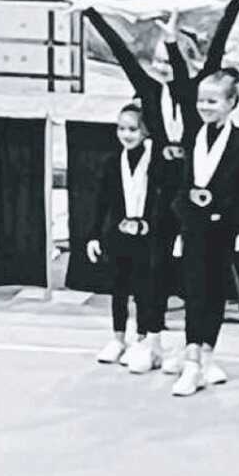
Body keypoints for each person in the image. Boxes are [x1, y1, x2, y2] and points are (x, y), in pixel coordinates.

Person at [63, 0, 239, 365]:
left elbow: (216, 49)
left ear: (185, 63)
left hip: (192, 185)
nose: (164, 68)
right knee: (153, 264)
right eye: (160, 62)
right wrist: (89, 13)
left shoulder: (195, 91)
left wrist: (234, 4)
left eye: (171, 61)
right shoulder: (149, 91)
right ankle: (151, 338)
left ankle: (194, 349)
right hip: (158, 190)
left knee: (193, 275)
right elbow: (122, 54)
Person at [167, 68, 239, 396]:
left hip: (224, 228)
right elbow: (184, 179)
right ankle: (192, 359)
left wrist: (237, 223)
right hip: (194, 226)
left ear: (232, 102)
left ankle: (207, 353)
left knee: (216, 291)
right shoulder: (193, 134)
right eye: (200, 101)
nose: (205, 106)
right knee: (194, 290)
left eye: (213, 101)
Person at [88, 103, 162, 370]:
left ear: (145, 131)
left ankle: (142, 339)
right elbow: (101, 202)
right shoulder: (111, 162)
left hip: (146, 236)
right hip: (118, 234)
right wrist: (93, 235)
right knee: (118, 286)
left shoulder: (154, 162)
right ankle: (118, 338)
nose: (126, 134)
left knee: (144, 288)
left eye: (132, 129)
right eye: (121, 128)